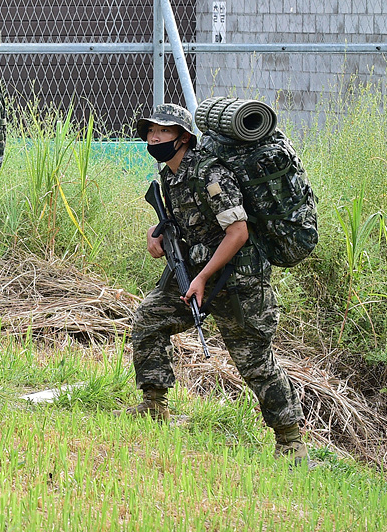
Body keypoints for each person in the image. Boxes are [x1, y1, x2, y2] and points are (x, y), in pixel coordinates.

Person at [122, 103, 306, 464]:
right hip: (195, 275)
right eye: (150, 131)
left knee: (254, 362)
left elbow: (237, 233)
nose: (154, 137)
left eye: (163, 131)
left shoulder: (209, 174)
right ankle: (154, 404)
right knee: (149, 319)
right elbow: (184, 223)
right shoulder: (170, 176)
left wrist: (204, 277)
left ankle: (290, 440)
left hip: (239, 281)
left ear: (184, 138)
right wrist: (155, 233)